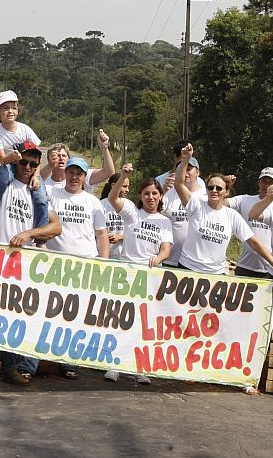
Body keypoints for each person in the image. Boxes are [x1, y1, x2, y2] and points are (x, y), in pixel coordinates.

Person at [0, 138, 61, 391]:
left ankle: (8, 368)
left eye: (33, 164)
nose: (27, 167)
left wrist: (30, 234)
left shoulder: (37, 192)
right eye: (23, 162)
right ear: (16, 162)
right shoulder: (1, 180)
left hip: (21, 266)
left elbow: (56, 227)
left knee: (12, 318)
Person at [173, 144, 273, 283]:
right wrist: (185, 159)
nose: (214, 190)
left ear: (227, 192)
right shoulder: (196, 205)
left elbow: (253, 241)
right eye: (210, 187)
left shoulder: (232, 215)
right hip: (188, 269)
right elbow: (179, 184)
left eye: (219, 188)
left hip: (215, 276)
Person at [105, 164, 173, 383]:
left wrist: (159, 258)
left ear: (160, 196)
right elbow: (113, 198)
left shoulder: (165, 221)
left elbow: (166, 249)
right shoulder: (132, 213)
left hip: (150, 277)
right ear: (140, 196)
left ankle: (140, 368)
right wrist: (124, 175)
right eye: (146, 193)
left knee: (144, 323)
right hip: (127, 274)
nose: (150, 197)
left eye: (154, 193)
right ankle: (114, 365)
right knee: (122, 320)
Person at [44, 156, 110, 380]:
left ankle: (68, 361)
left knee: (75, 315)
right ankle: (42, 359)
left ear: (84, 177)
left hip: (85, 266)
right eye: (71, 173)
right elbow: (36, 180)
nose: (74, 177)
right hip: (56, 264)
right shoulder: (52, 194)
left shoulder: (93, 202)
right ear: (65, 174)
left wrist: (104, 263)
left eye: (79, 174)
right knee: (52, 312)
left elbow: (101, 234)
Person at [227, 167, 273, 279]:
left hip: (272, 269)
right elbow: (219, 203)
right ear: (258, 182)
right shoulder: (244, 200)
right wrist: (227, 186)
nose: (266, 185)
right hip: (245, 266)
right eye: (263, 181)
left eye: (271, 182)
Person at [161, 152, 206, 267]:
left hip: (194, 261)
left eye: (189, 169)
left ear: (198, 172)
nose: (185, 173)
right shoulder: (170, 193)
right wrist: (163, 191)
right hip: (169, 258)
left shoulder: (206, 195)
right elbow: (157, 214)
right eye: (182, 169)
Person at [41, 131, 116, 192]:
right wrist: (50, 166)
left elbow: (109, 172)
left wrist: (104, 148)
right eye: (56, 156)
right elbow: (36, 179)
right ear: (49, 159)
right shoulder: (44, 181)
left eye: (63, 155)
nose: (60, 158)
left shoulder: (81, 175)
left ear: (69, 159)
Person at [0, 90, 40, 164]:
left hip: (27, 164)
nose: (10, 111)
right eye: (6, 108)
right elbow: (2, 160)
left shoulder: (25, 129)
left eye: (14, 108)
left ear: (18, 110)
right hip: (8, 166)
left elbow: (37, 154)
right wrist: (13, 156)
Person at [99, 173, 127, 259]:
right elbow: (92, 230)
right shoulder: (100, 205)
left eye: (128, 187)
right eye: (124, 186)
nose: (127, 190)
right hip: (103, 255)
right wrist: (104, 236)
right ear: (113, 186)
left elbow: (134, 231)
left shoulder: (129, 205)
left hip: (123, 256)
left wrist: (119, 237)